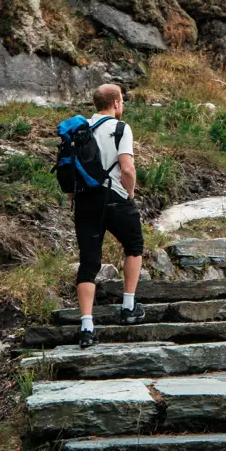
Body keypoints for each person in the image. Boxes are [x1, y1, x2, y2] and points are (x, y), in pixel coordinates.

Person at [75, 83, 145, 348]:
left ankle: (86, 327)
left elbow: (69, 169)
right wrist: (130, 192)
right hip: (114, 198)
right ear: (116, 103)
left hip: (85, 202)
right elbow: (127, 167)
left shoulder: (80, 129)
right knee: (134, 246)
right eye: (122, 101)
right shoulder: (120, 128)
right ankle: (128, 308)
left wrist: (76, 199)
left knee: (89, 263)